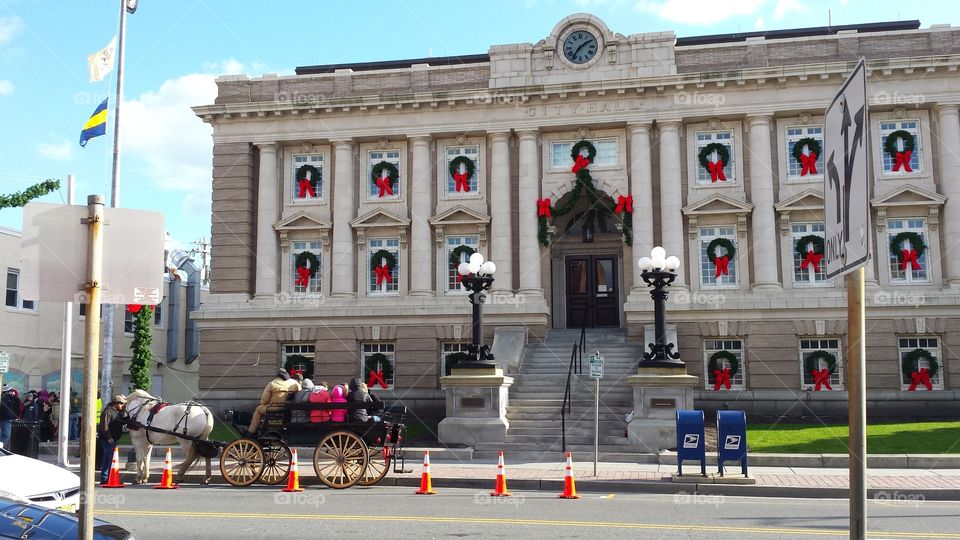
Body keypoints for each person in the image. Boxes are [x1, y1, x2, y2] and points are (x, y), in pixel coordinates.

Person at [247, 369, 301, 434]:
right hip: (289, 408)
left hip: (275, 408)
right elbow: (300, 393)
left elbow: (264, 401)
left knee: (258, 409)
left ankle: (251, 432)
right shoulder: (294, 383)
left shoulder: (272, 383)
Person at [98, 395, 127, 483]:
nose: (122, 406)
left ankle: (105, 479)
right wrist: (109, 438)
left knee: (107, 459)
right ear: (116, 404)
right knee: (112, 459)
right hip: (107, 440)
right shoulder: (108, 412)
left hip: (113, 439)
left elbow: (119, 422)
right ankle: (112, 478)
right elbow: (104, 427)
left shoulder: (116, 412)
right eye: (121, 404)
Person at [0, 385, 21, 449]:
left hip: (5, 419)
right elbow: (7, 410)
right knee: (6, 436)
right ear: (8, 391)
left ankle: (3, 449)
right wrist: (12, 417)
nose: (13, 392)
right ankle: (2, 450)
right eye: (11, 391)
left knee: (5, 436)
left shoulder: (6, 398)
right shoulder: (6, 399)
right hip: (6, 420)